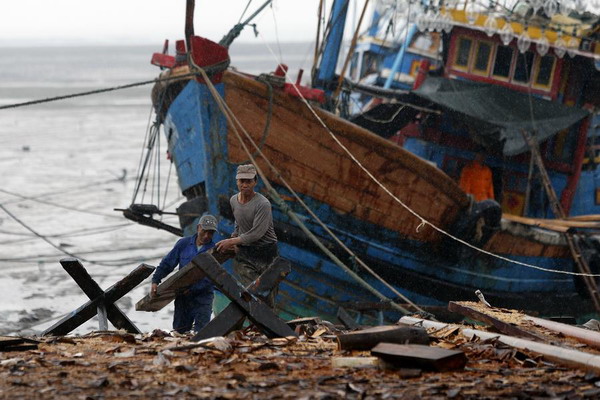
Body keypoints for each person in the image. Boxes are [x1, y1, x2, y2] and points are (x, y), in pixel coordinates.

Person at [215, 164, 279, 306]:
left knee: (268, 297)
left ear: (255, 182)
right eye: (241, 181)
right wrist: (234, 236)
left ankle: (267, 325)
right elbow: (239, 222)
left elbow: (257, 233)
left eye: (248, 181)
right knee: (254, 292)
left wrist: (230, 242)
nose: (244, 185)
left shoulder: (263, 204)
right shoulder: (233, 200)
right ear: (237, 181)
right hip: (246, 252)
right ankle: (256, 320)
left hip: (266, 253)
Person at [151, 214, 218, 333]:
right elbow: (167, 263)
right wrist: (156, 280)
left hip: (203, 298)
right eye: (204, 231)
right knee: (179, 332)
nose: (207, 236)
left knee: (202, 334)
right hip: (183, 298)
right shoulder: (183, 244)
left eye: (211, 233)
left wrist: (192, 288)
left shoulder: (215, 250)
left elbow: (214, 278)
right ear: (198, 228)